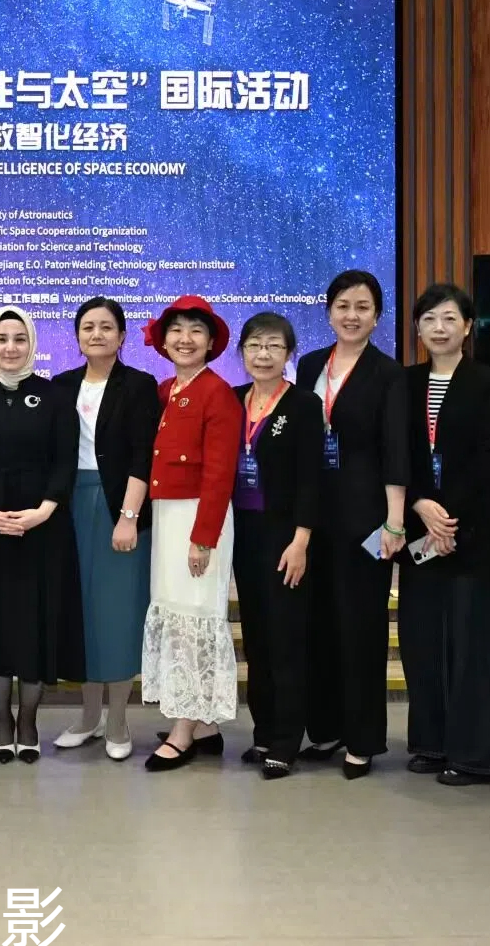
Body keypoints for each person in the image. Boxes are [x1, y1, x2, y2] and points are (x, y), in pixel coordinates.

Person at [0, 305, 82, 764]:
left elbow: (64, 460)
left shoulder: (55, 397)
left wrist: (43, 511)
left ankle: (28, 721)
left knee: (33, 626)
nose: (10, 347)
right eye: (1, 339)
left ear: (32, 344)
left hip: (41, 532)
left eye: (19, 338)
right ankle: (1, 720)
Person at [297, 269, 408, 779]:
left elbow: (396, 450)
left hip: (365, 519)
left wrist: (395, 523)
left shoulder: (388, 374)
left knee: (360, 627)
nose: (352, 315)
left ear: (377, 316)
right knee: (318, 624)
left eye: (362, 307)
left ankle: (362, 740)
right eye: (343, 306)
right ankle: (326, 728)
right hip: (314, 517)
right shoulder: (310, 365)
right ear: (328, 312)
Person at [401, 284, 490, 786]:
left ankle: (475, 756)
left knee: (471, 648)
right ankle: (431, 743)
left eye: (450, 318)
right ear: (417, 328)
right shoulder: (404, 383)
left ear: (468, 326)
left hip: (474, 534)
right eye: (429, 319)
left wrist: (448, 518)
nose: (439, 328)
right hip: (421, 531)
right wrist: (420, 505)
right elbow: (397, 454)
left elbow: (489, 458)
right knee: (421, 640)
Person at [50, 297, 157, 761]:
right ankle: (88, 716)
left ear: (122, 336)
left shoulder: (139, 385)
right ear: (77, 336)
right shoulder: (60, 386)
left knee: (117, 614)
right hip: (70, 507)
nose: (97, 334)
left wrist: (128, 517)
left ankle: (117, 719)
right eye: (88, 327)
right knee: (82, 614)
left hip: (117, 507)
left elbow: (143, 455)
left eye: (106, 327)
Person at [139, 295, 240, 772]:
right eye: (176, 330)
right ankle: (204, 726)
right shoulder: (166, 391)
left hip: (200, 518)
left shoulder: (217, 393)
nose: (185, 339)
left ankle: (182, 731)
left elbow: (219, 474)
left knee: (194, 618)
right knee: (177, 615)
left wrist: (203, 539)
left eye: (196, 331)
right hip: (168, 516)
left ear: (211, 341)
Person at [227, 312, 323, 778]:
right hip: (243, 533)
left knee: (286, 638)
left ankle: (286, 740)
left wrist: (301, 539)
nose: (262, 355)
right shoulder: (233, 400)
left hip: (286, 536)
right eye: (254, 346)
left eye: (273, 346)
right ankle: (263, 731)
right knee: (257, 637)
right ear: (241, 351)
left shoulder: (303, 404)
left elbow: (311, 478)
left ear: (288, 354)